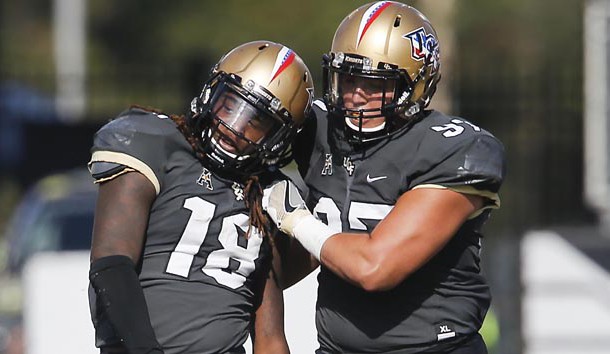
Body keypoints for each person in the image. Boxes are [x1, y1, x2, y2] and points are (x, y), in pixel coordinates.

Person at [263, 2, 506, 353]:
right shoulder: (319, 129)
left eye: (373, 83)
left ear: (416, 87)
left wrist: (296, 220)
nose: (355, 94)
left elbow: (374, 268)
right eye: (347, 78)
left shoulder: (456, 148)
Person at [87, 40, 314, 354]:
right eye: (232, 104)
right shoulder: (157, 145)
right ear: (212, 91)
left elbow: (270, 334)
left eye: (257, 121)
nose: (235, 127)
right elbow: (111, 265)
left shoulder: (267, 193)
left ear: (278, 138)